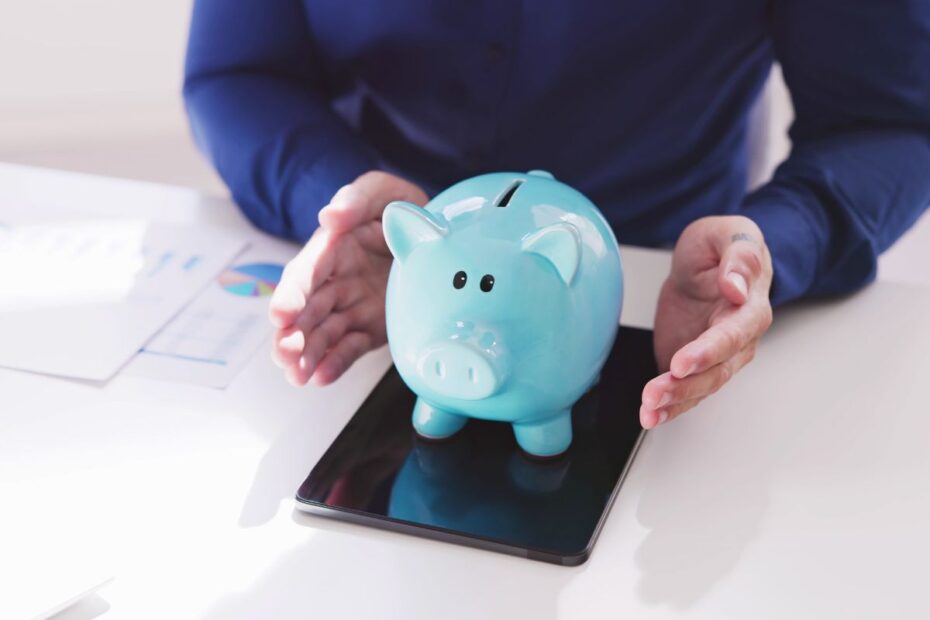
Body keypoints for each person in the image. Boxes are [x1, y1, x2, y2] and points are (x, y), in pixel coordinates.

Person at [184, 1, 930, 429]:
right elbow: (240, 71)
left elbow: (892, 122)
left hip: (655, 285)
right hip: (385, 269)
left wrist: (776, 240)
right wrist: (338, 196)